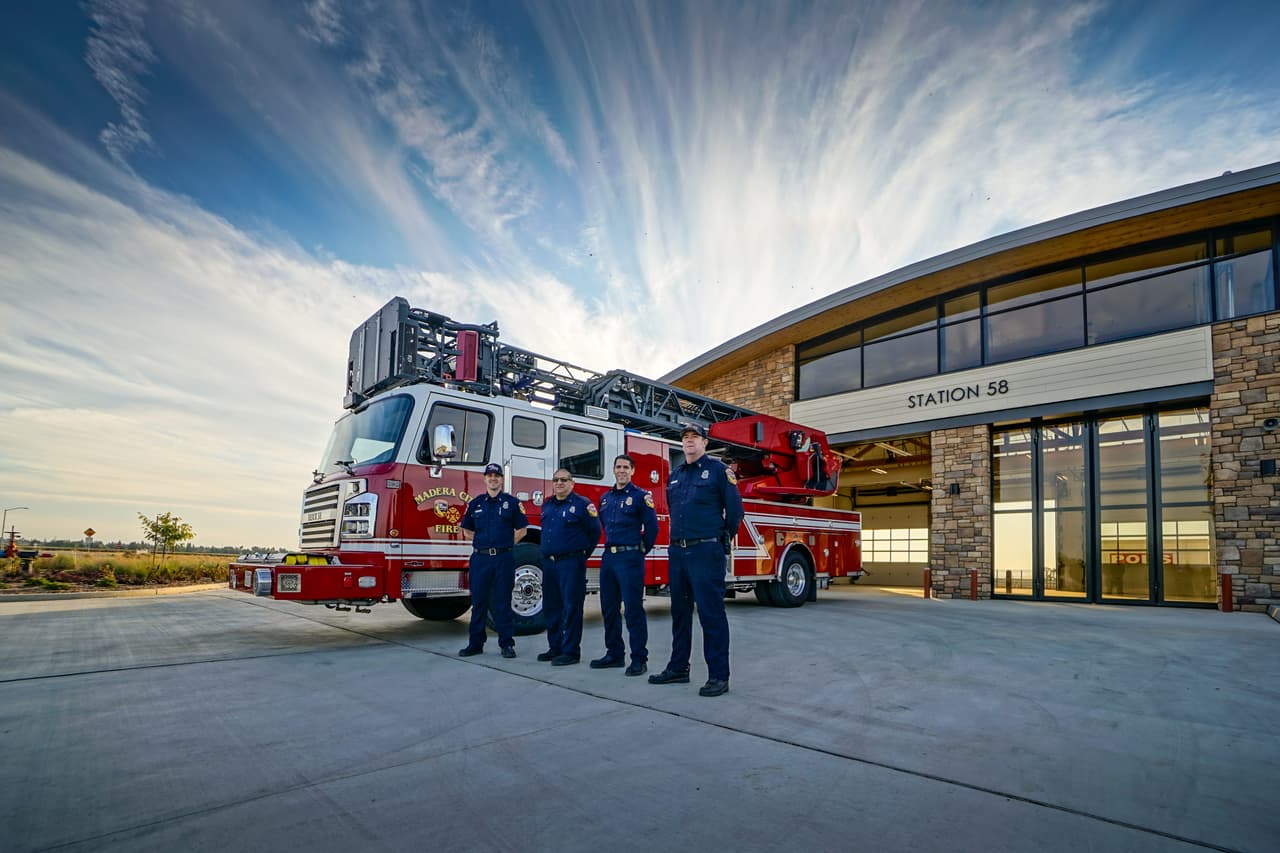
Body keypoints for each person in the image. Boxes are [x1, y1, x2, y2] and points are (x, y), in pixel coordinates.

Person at [649, 423, 743, 697]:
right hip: (678, 552)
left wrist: (719, 540)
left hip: (706, 551)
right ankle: (678, 668)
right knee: (679, 613)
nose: (689, 441)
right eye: (685, 438)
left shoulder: (718, 471)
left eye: (695, 437)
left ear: (704, 443)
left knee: (710, 613)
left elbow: (735, 512)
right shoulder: (675, 475)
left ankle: (718, 676)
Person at [590, 454, 659, 676]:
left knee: (632, 610)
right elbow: (603, 524)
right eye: (618, 466)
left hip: (630, 558)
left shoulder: (641, 496)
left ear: (632, 471)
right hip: (609, 558)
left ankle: (639, 658)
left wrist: (640, 550)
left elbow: (652, 528)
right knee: (609, 608)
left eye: (625, 467)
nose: (621, 470)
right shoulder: (605, 498)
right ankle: (614, 654)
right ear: (613, 469)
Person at [458, 462, 528, 658]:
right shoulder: (476, 503)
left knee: (502, 603)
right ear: (485, 479)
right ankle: (475, 644)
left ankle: (506, 644)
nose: (493, 478)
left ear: (501, 479)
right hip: (480, 559)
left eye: (497, 475)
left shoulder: (512, 503)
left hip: (503, 559)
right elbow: (467, 530)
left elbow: (522, 530)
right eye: (490, 475)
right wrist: (483, 543)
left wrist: (505, 544)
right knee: (478, 602)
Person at [537, 468, 601, 666]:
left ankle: (571, 651)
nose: (559, 483)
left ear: (572, 483)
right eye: (556, 480)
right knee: (551, 607)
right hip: (549, 563)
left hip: (571, 563)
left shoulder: (583, 505)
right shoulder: (547, 505)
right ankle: (554, 647)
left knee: (572, 607)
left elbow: (594, 532)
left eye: (564, 480)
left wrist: (580, 555)